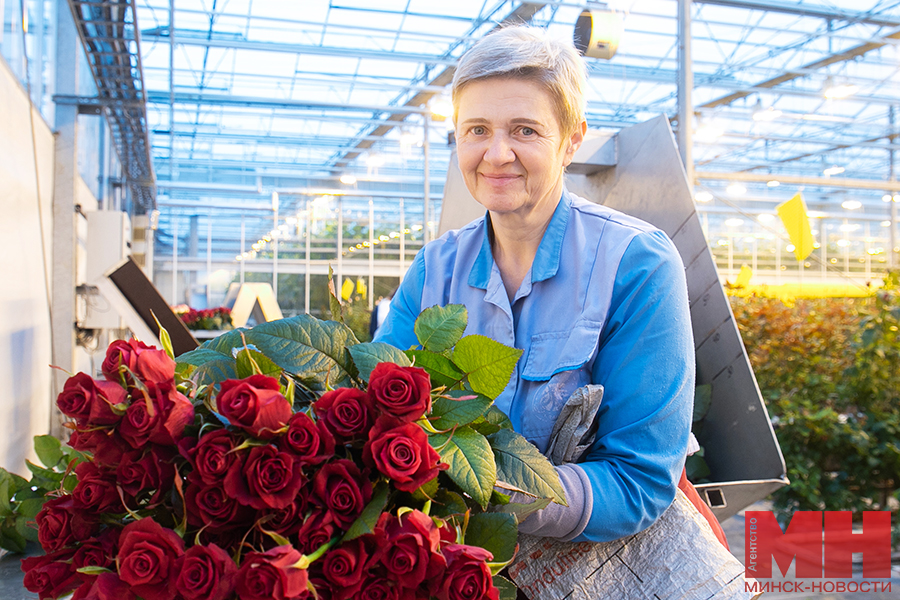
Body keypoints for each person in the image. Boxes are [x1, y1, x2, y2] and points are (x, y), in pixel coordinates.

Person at [374, 26, 698, 544]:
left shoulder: (637, 264)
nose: (496, 154)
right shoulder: (435, 268)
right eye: (476, 129)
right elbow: (379, 403)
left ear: (571, 141)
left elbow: (639, 478)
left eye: (524, 130)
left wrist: (483, 495)